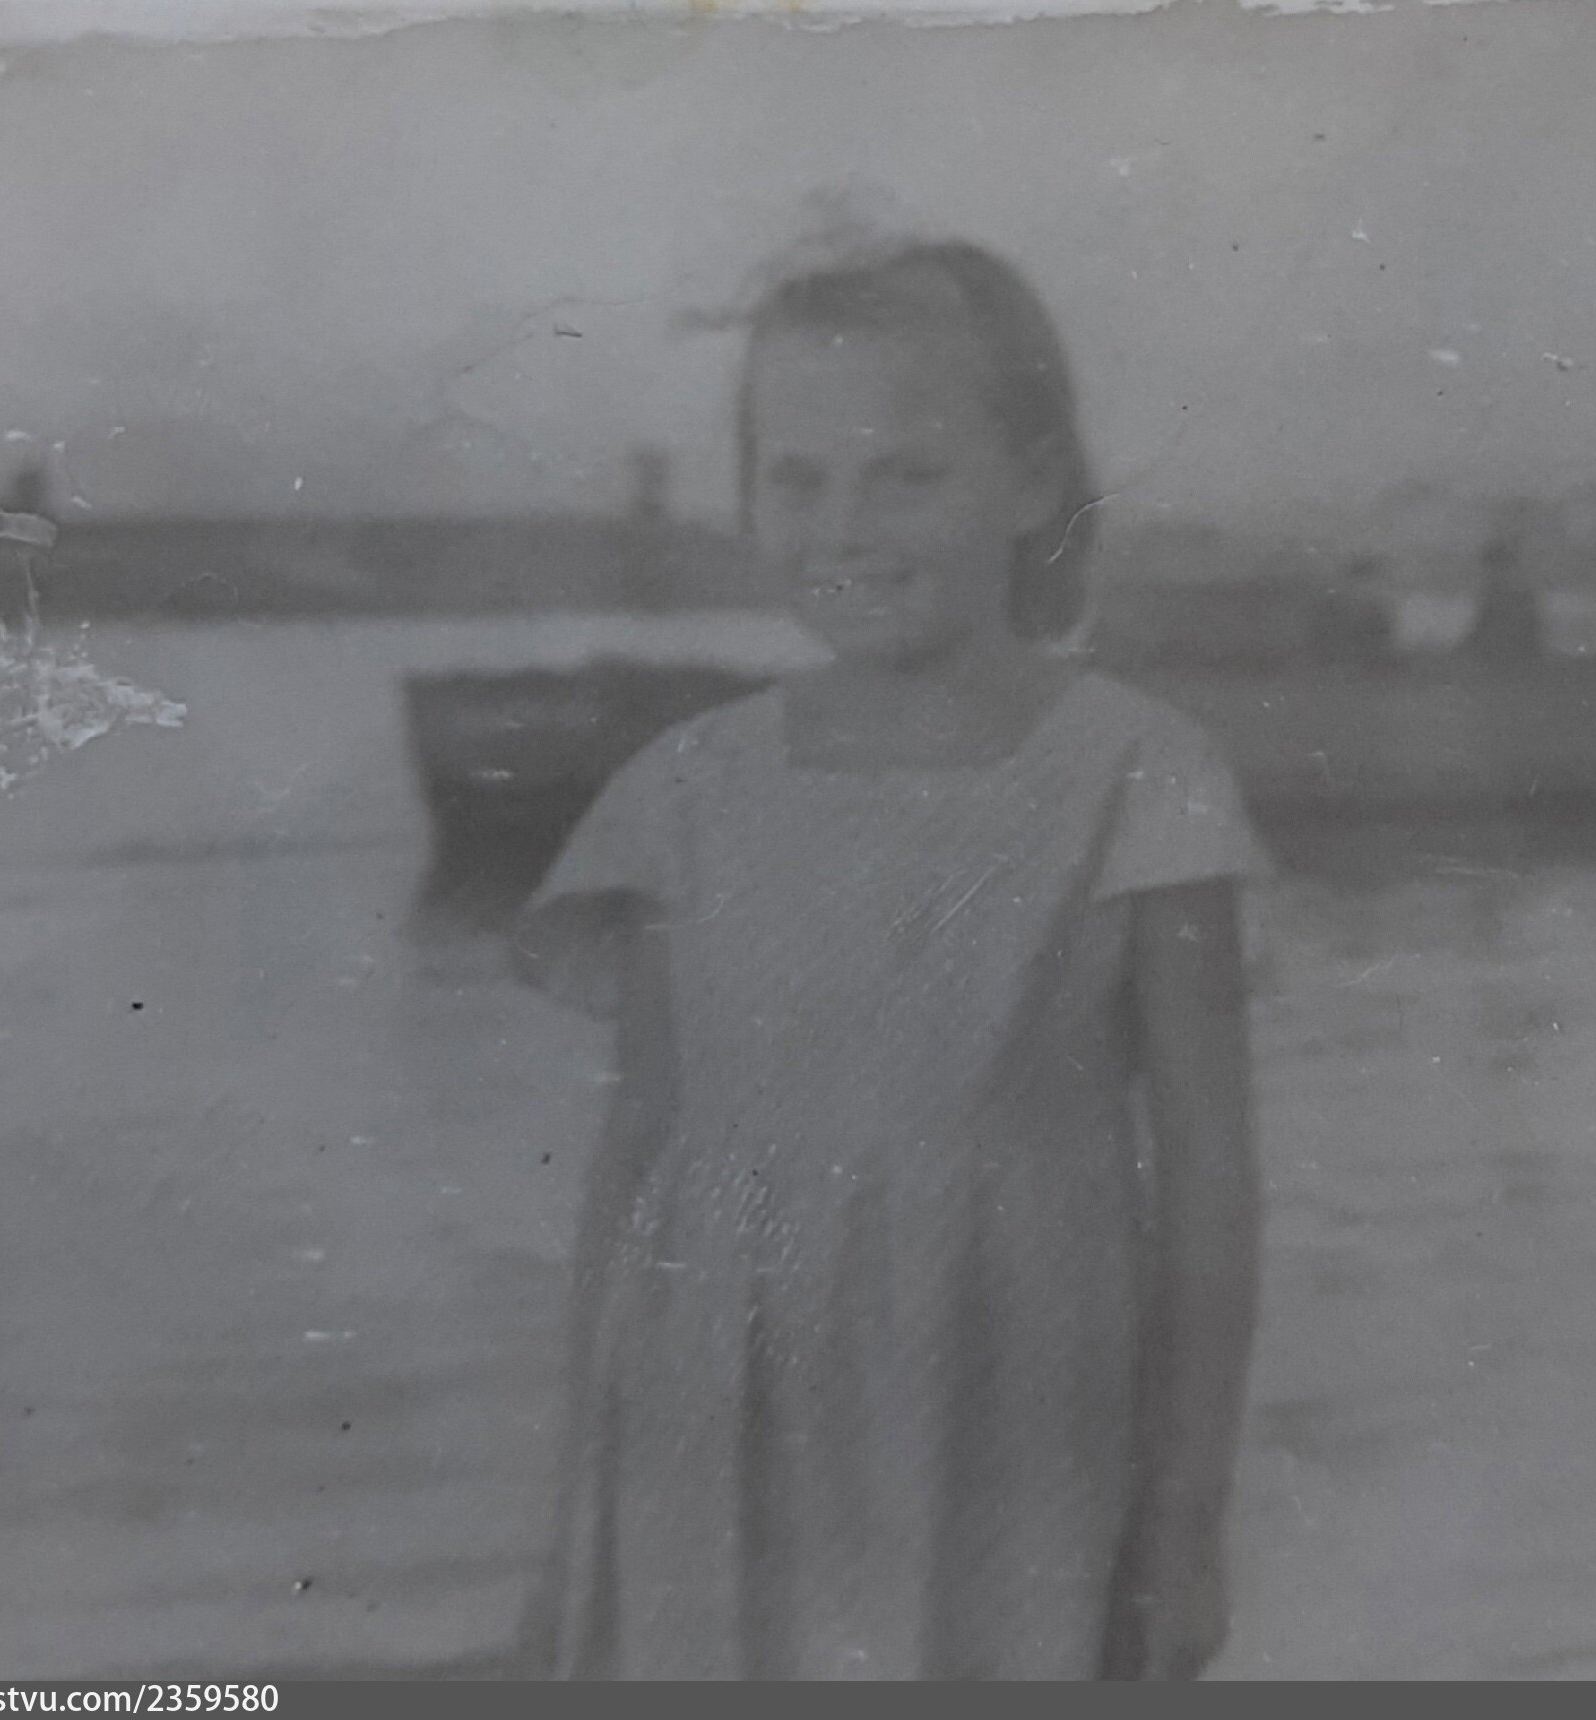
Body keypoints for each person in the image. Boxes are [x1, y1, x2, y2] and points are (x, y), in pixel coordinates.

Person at [509, 233, 1268, 1680]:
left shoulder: (1140, 779)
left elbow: (1212, 1187)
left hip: (1006, 1433)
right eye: (796, 479)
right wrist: (567, 1533)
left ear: (1032, 481)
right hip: (703, 1434)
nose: (843, 527)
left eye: (906, 474)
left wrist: (1186, 1518)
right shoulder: (684, 790)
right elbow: (633, 1162)